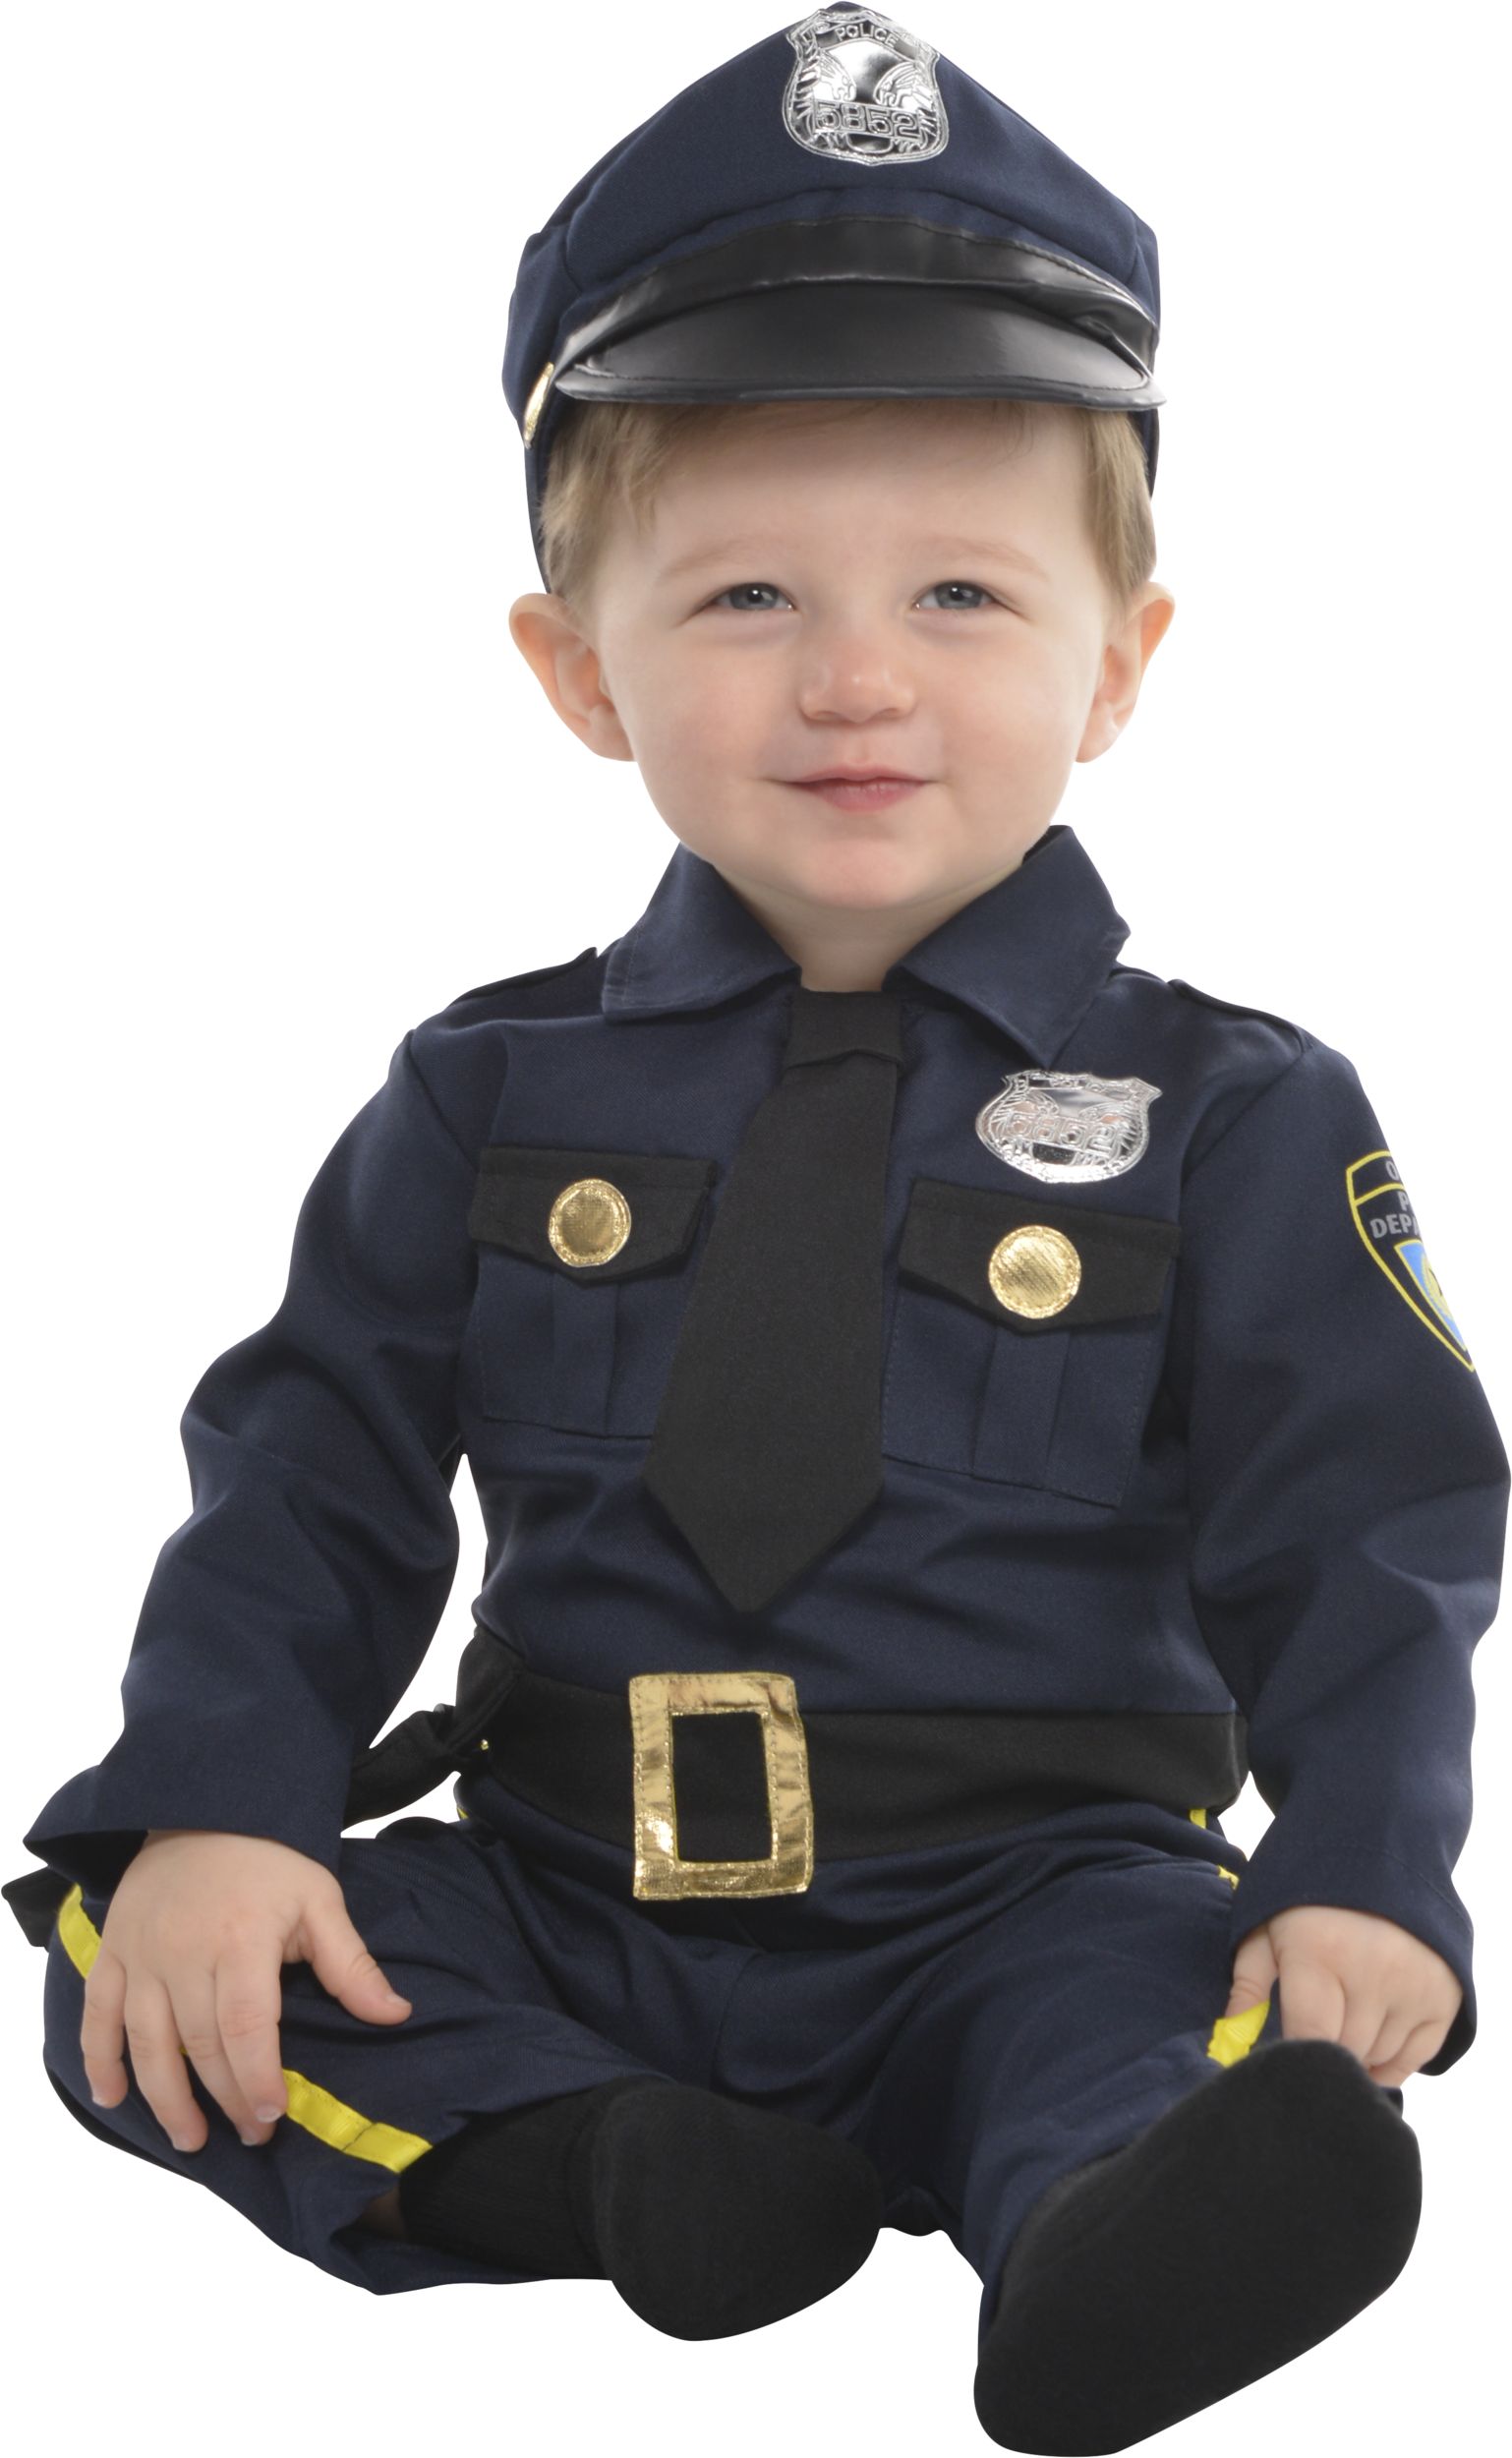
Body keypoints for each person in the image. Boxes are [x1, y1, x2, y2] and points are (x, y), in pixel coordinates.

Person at [8, 9, 1507, 2449]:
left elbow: (1368, 1527)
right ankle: (595, 2166)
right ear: (572, 670)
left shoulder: (1228, 1110)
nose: (849, 680)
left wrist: (1359, 1873)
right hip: (565, 1863)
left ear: (1119, 665)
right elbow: (311, 1473)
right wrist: (229, 1798)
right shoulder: (485, 1087)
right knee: (146, 1948)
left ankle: (1114, 2232)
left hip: (1027, 1878)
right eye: (736, 602)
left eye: (954, 593)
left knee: (1174, 2007)